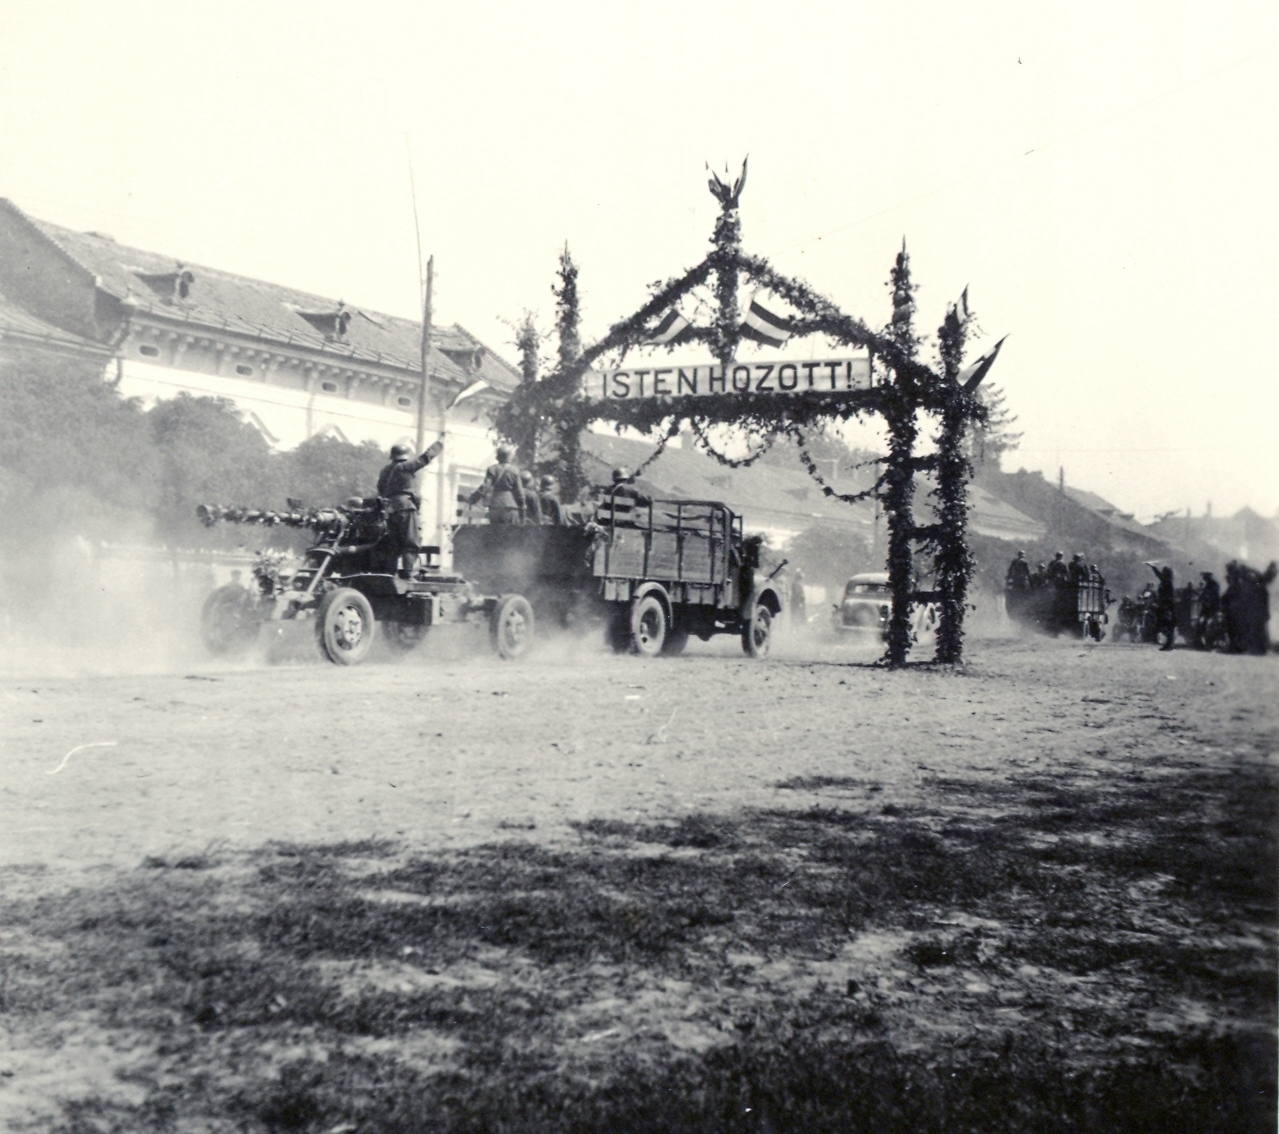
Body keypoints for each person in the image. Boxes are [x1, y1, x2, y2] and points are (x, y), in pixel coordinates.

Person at [375, 437, 443, 574]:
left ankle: (390, 574)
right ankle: (407, 574)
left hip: (391, 509)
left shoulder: (385, 471)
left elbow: (380, 489)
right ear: (405, 456)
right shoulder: (405, 467)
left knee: (393, 543)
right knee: (410, 543)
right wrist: (439, 444)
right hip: (405, 507)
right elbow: (424, 459)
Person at [467, 445, 524, 524]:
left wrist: (473, 498)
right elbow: (519, 492)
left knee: (495, 533)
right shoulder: (514, 470)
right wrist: (522, 507)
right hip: (510, 506)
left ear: (498, 457)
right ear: (509, 457)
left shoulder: (492, 469)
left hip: (495, 505)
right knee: (510, 534)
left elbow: (485, 487)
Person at [1149, 563, 1177, 650]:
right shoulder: (1166, 581)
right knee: (1164, 625)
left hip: (1167, 606)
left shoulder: (1167, 582)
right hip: (1164, 606)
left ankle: (1169, 644)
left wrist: (1165, 605)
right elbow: (1159, 575)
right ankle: (1168, 644)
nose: (1162, 573)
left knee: (1167, 625)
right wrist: (1153, 567)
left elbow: (1169, 596)